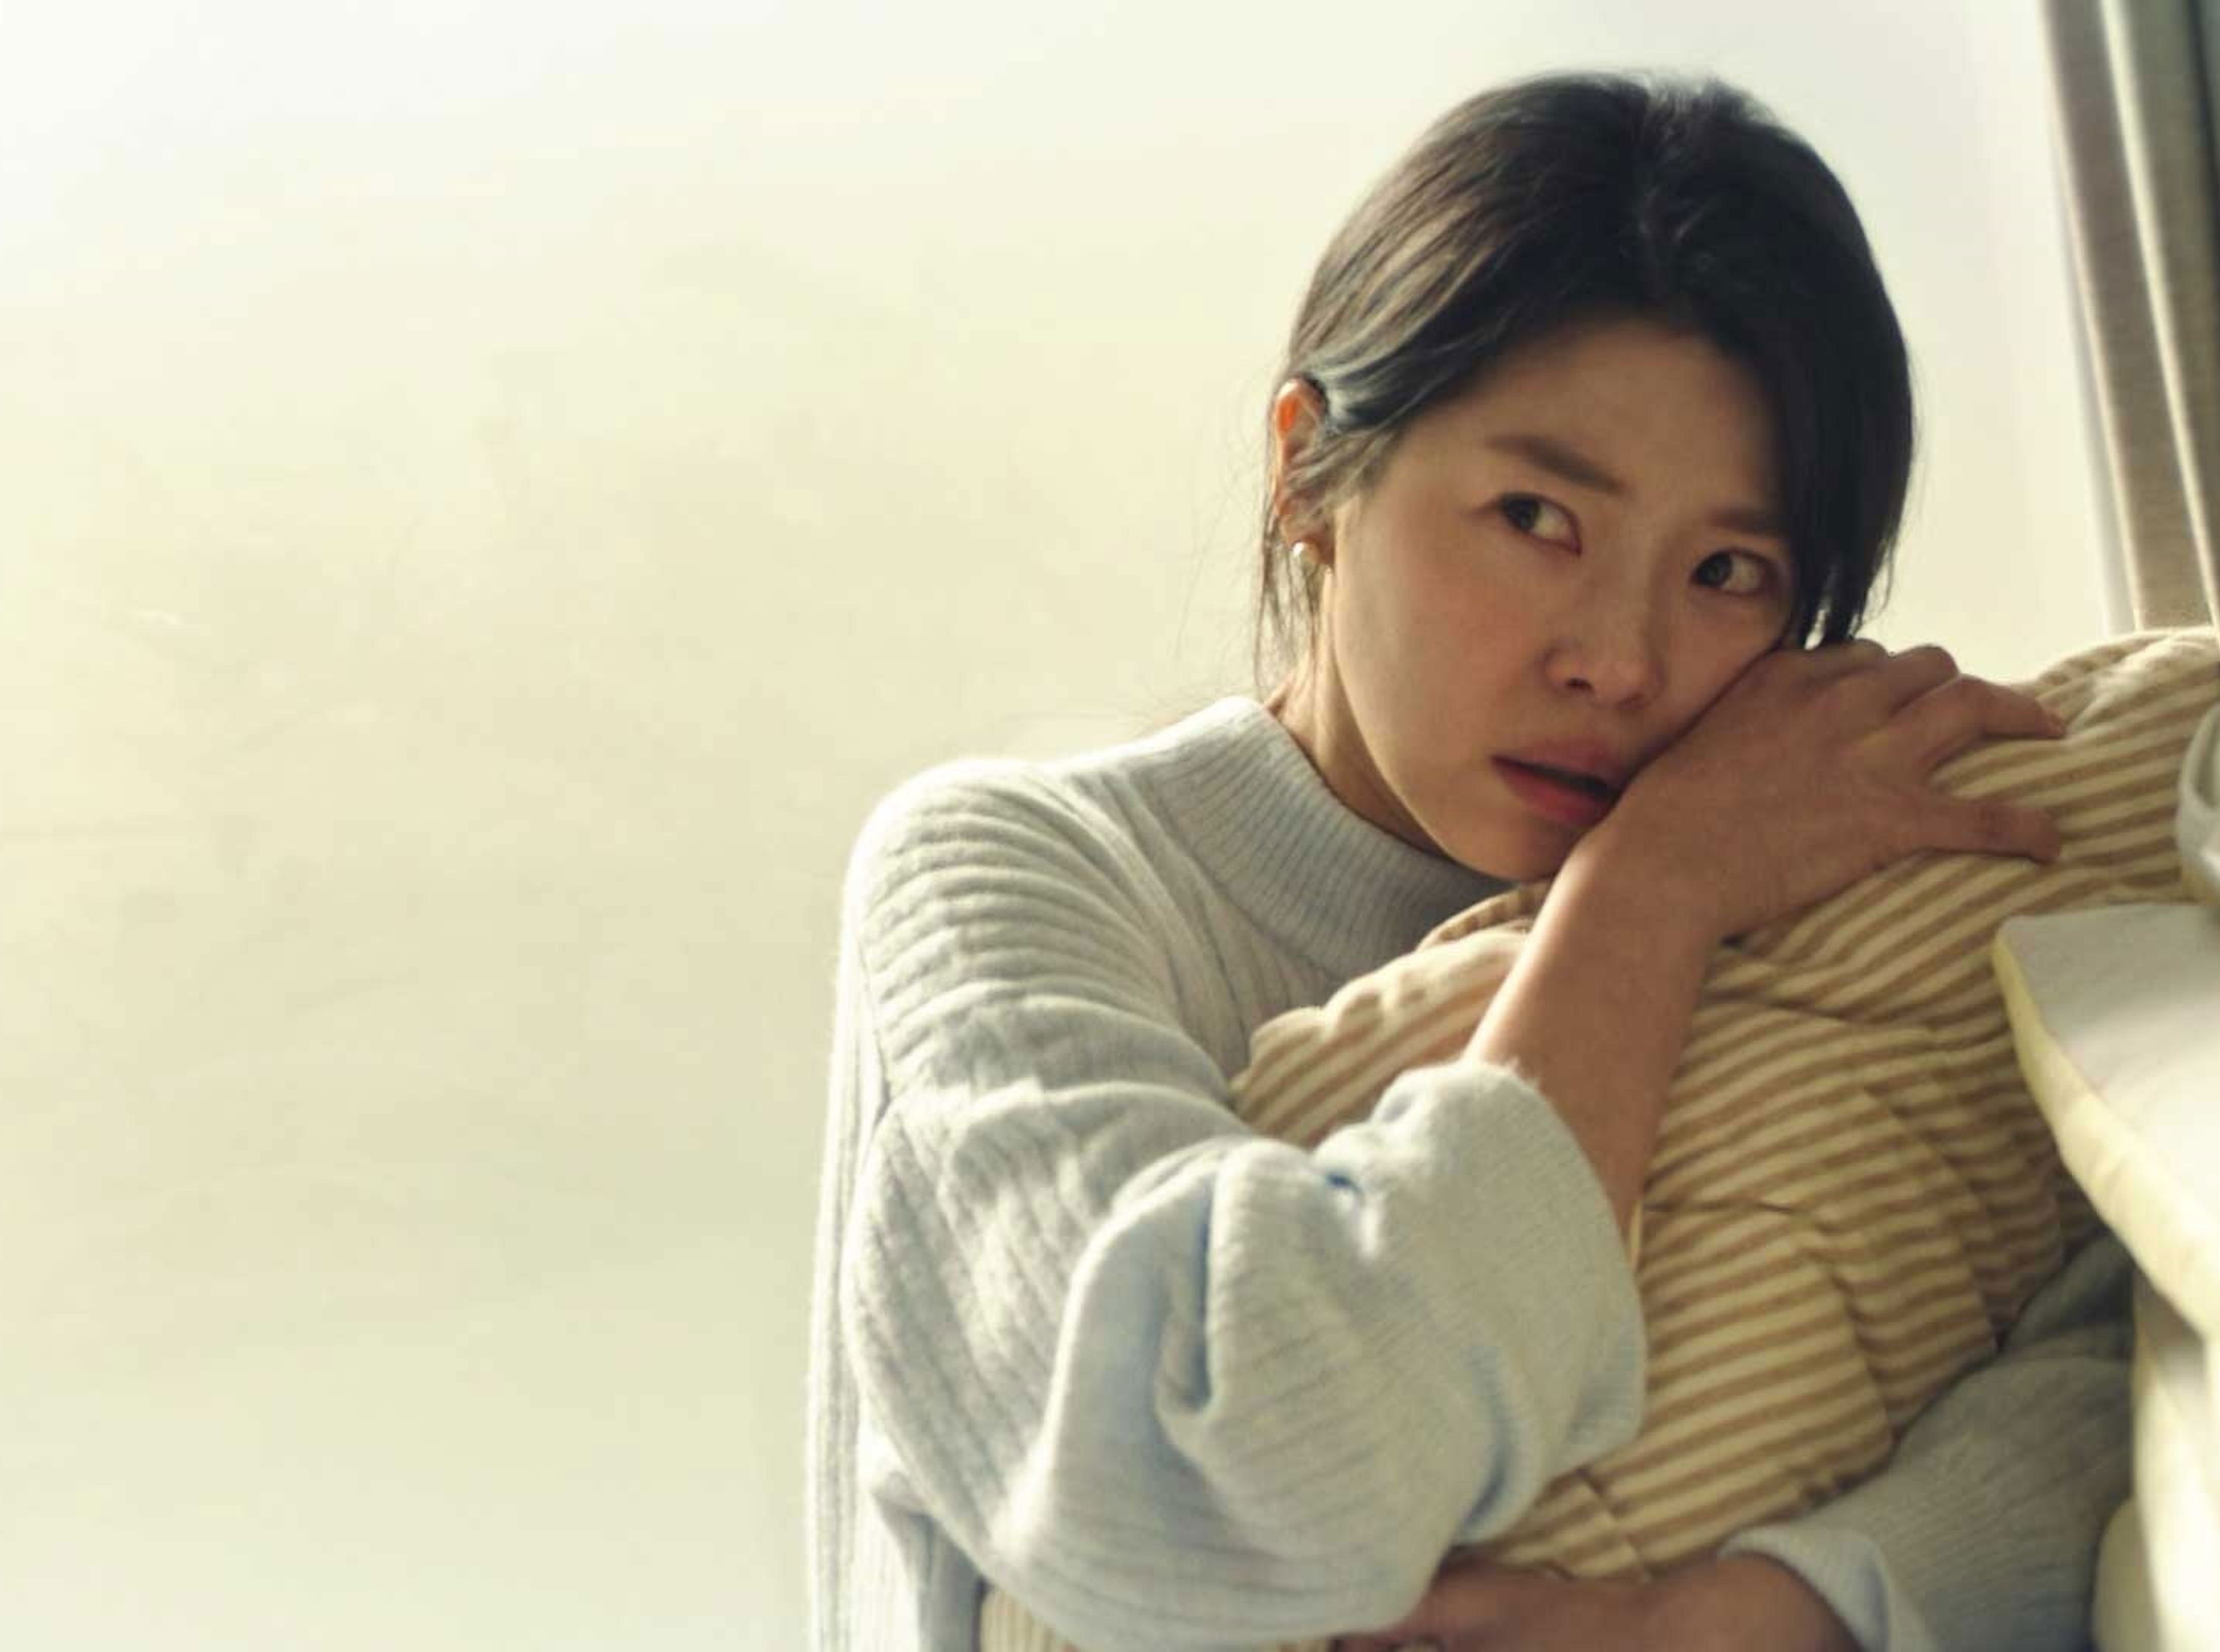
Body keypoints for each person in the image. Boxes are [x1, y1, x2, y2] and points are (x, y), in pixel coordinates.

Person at [806, 71, 2132, 1652]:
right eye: (1536, 518)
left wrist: (1767, 1611)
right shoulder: (1016, 874)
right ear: (1308, 472)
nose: (1619, 662)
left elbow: (2135, 1370)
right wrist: (1647, 897)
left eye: (1726, 570)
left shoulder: (1820, 897)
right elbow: (1221, 1478)